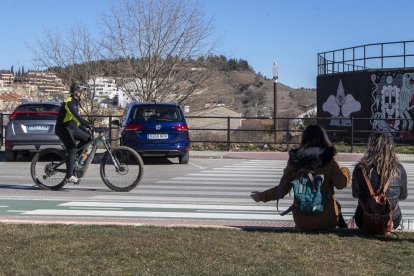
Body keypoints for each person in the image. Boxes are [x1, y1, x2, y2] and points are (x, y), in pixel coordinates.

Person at [250, 124, 350, 231]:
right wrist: (345, 170)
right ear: (324, 139)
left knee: (336, 205)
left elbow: (281, 190)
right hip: (326, 220)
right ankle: (345, 230)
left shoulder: (295, 161)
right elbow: (341, 183)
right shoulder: (328, 159)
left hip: (301, 221)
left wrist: (261, 196)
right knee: (335, 206)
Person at [352, 133, 407, 230]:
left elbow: (355, 195)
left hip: (364, 219)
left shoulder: (360, 169)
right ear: (391, 148)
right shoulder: (399, 169)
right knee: (395, 211)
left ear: (370, 147)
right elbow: (403, 196)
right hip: (391, 220)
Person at [55, 82, 92, 184]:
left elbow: (75, 121)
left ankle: (75, 160)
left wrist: (86, 129)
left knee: (88, 139)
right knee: (72, 148)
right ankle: (69, 176)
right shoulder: (69, 102)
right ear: (77, 93)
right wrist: (88, 124)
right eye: (83, 93)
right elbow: (77, 117)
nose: (85, 95)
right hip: (63, 129)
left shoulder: (76, 103)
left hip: (72, 128)